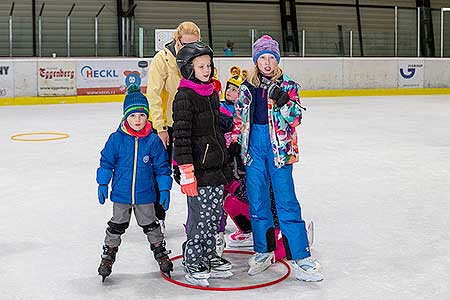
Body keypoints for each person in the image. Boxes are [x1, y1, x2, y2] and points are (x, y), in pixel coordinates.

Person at [232, 35, 324, 282]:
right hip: (253, 150)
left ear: (277, 60)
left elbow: (296, 119)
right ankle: (263, 251)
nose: (267, 62)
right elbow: (239, 121)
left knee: (286, 202)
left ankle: (301, 257)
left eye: (271, 57)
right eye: (262, 57)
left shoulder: (288, 86)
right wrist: (236, 147)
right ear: (256, 61)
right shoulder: (246, 88)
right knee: (258, 202)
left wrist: (283, 101)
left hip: (279, 151)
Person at [96, 85, 173, 282]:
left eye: (141, 115)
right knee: (116, 225)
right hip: (121, 194)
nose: (137, 120)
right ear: (125, 117)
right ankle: (108, 256)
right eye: (133, 116)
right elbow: (106, 162)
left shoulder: (153, 141)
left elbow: (162, 167)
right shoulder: (116, 139)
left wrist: (164, 189)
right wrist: (103, 184)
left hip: (145, 193)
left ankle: (161, 252)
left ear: (147, 116)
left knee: (151, 225)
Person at [173, 41, 233, 287]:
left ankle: (209, 255)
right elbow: (182, 135)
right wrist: (186, 171)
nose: (207, 70)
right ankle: (193, 258)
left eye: (208, 65)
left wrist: (225, 120)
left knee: (215, 214)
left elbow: (212, 123)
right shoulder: (184, 96)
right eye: (201, 66)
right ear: (188, 68)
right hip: (197, 168)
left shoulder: (210, 92)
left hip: (216, 166)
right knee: (200, 217)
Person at [147, 21, 201, 227]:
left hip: (190, 124)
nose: (191, 48)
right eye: (187, 43)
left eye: (194, 44)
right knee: (160, 172)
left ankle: (198, 219)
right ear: (177, 39)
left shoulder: (197, 58)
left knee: (191, 174)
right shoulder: (162, 59)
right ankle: (157, 216)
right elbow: (153, 95)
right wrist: (160, 127)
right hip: (167, 126)